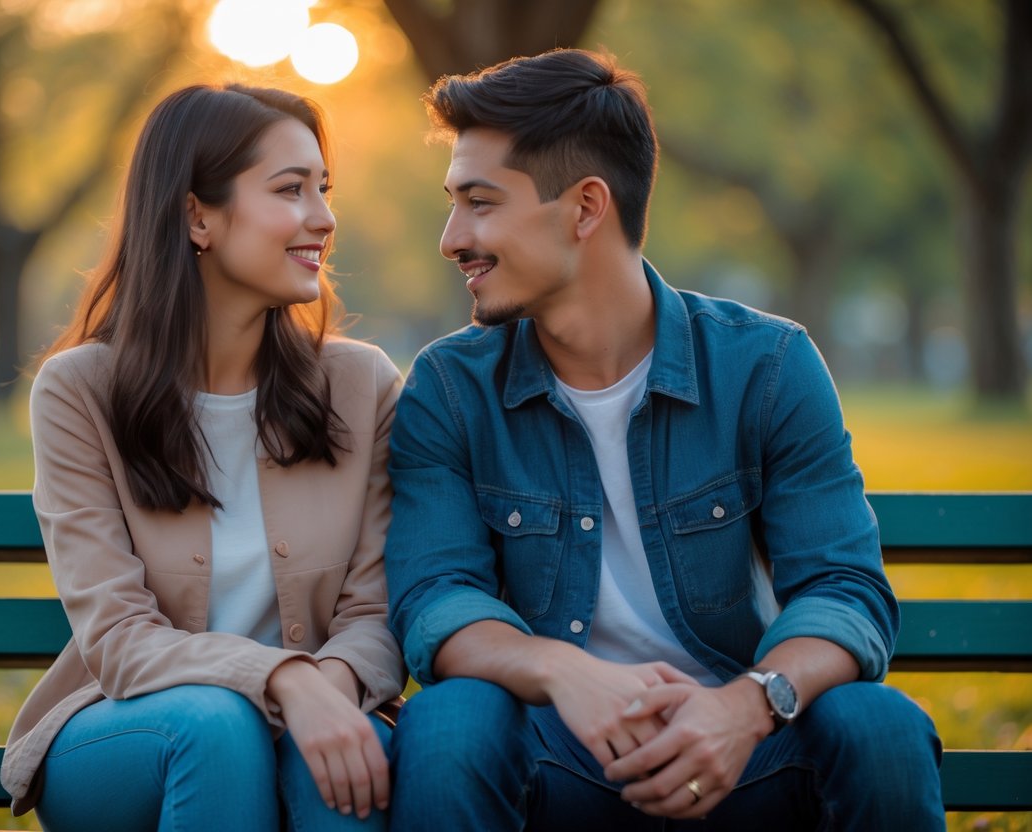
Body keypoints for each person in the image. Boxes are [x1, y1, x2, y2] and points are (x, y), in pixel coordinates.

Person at [384, 49, 944, 830]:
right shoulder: (450, 387)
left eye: (479, 203)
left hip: (743, 750)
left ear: (584, 208)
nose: (451, 238)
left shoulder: (766, 365)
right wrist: (563, 672)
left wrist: (747, 705)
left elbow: (842, 590)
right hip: (559, 755)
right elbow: (435, 598)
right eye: (453, 203)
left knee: (877, 725)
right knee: (449, 725)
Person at [0, 83, 405, 831]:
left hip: (323, 717)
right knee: (218, 727)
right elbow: (118, 640)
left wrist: (330, 689)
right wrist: (285, 679)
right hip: (127, 733)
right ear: (197, 217)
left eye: (324, 187)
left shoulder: (363, 384)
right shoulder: (79, 391)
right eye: (290, 189)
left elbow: (374, 611)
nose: (323, 216)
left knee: (335, 777)